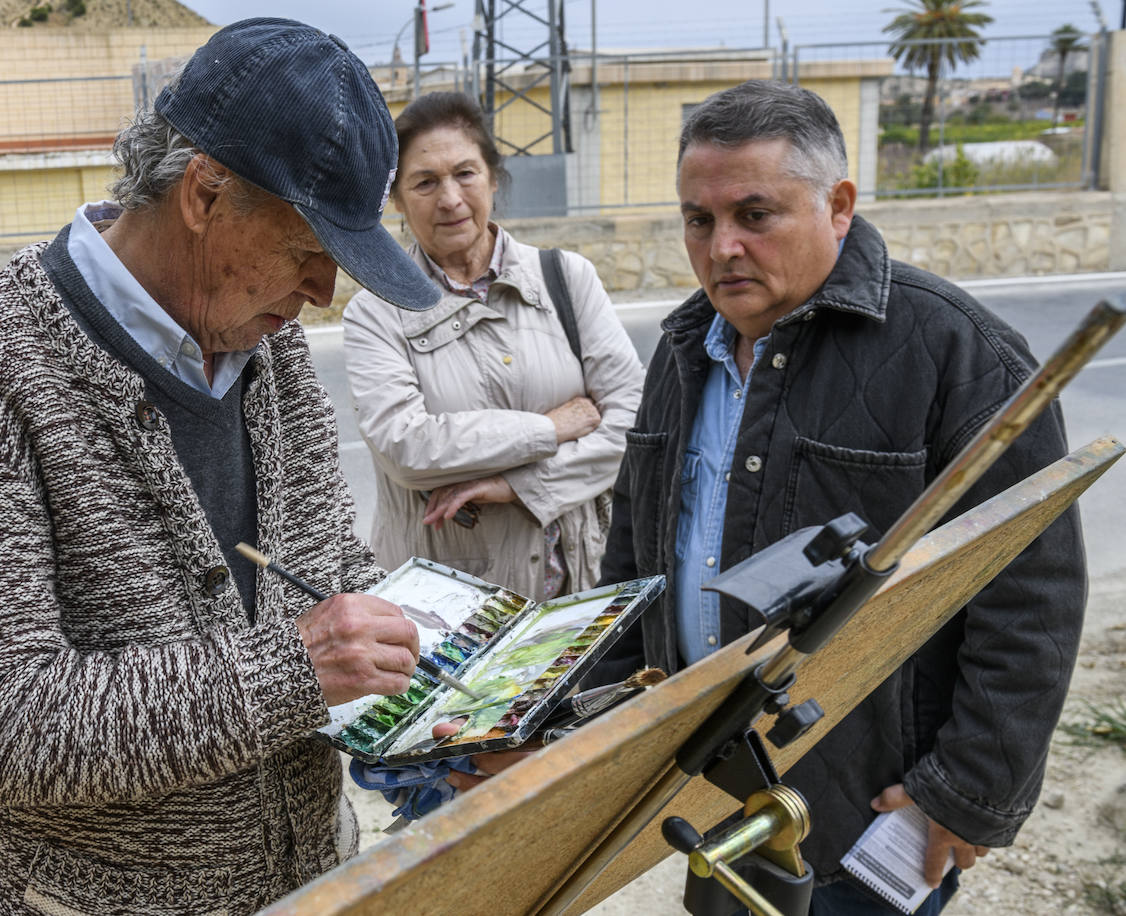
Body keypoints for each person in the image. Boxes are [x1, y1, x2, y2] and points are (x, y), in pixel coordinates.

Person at [0, 19, 442, 916]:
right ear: (204, 194)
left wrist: (429, 682)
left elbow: (331, 575)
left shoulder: (270, 351)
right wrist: (291, 673)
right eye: (307, 251)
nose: (320, 294)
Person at [590, 80, 1087, 914]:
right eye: (698, 220)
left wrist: (964, 793)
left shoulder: (957, 352)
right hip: (713, 787)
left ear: (840, 206)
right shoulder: (684, 349)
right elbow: (637, 560)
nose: (721, 249)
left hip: (871, 817)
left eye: (756, 215)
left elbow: (1030, 597)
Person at [343, 91, 644, 602]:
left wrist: (521, 487)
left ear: (493, 178)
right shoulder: (375, 312)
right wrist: (552, 427)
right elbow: (408, 448)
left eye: (465, 173)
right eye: (425, 182)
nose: (450, 198)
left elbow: (634, 422)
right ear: (395, 200)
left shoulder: (566, 278)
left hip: (579, 585)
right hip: (450, 606)